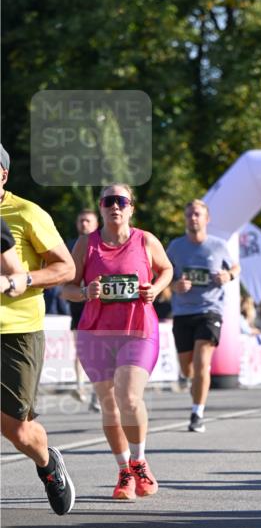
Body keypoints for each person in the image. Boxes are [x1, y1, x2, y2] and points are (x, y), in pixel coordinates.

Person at [62, 183, 173, 500]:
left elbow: (167, 269)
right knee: (109, 404)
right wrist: (86, 292)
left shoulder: (145, 240)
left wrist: (156, 288)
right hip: (96, 332)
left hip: (138, 330)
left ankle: (139, 461)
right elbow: (66, 288)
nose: (115, 206)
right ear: (100, 207)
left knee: (129, 397)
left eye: (121, 201)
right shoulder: (86, 244)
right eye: (109, 201)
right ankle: (124, 471)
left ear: (131, 208)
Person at [0, 146, 76, 515]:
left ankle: (47, 464)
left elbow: (66, 268)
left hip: (18, 331)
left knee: (18, 431)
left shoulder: (27, 213)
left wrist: (24, 279)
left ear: (2, 174)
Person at [166, 199, 240, 432]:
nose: (193, 218)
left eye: (197, 214)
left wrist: (228, 275)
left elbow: (236, 267)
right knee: (187, 369)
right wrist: (175, 285)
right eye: (189, 214)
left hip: (210, 310)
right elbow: (164, 275)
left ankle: (197, 413)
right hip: (183, 312)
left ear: (207, 219)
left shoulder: (218, 246)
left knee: (202, 363)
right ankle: (191, 381)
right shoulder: (176, 247)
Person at [68, 208, 101, 409]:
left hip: (100, 305)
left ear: (96, 224)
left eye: (88, 220)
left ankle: (98, 393)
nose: (84, 224)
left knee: (100, 351)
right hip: (78, 304)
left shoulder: (102, 244)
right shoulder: (70, 246)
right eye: (81, 220)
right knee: (81, 349)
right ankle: (80, 386)